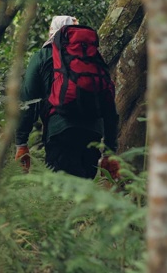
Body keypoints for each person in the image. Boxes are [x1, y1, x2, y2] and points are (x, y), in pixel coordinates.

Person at [14, 16, 119, 179]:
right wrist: (109, 152)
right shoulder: (93, 60)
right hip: (93, 134)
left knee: (64, 195)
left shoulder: (41, 56)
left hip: (60, 132)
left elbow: (28, 101)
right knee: (83, 192)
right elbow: (110, 106)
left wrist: (21, 142)